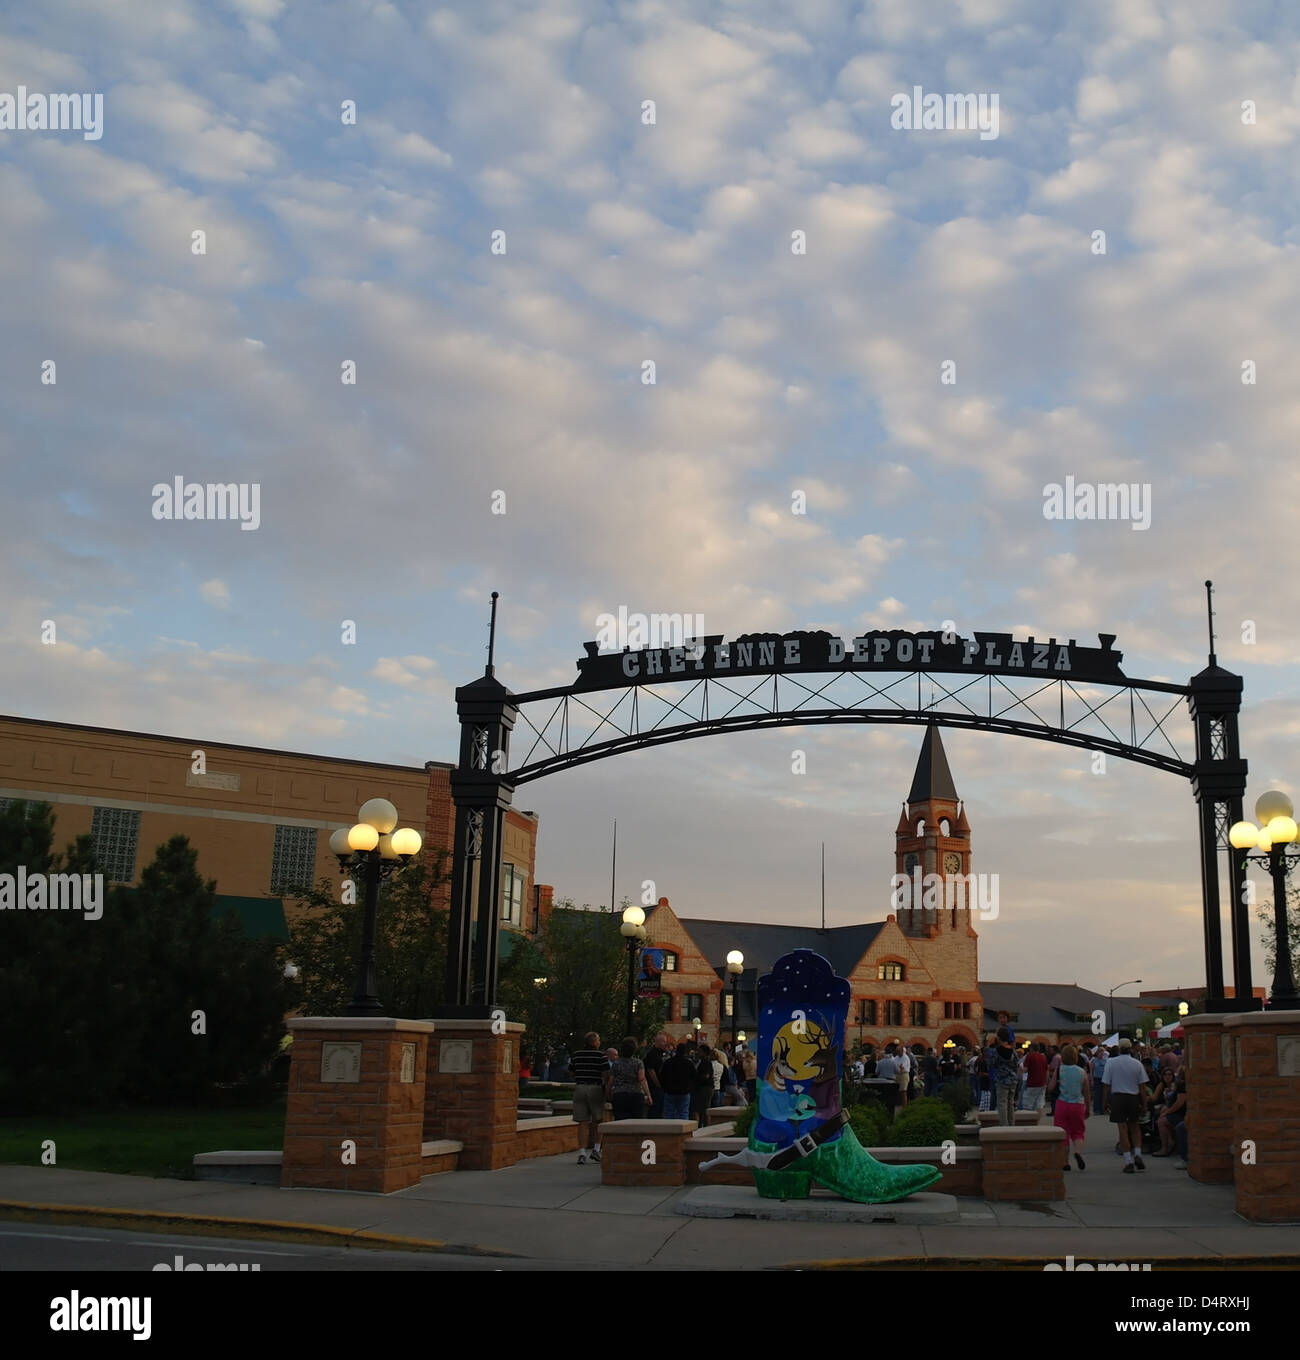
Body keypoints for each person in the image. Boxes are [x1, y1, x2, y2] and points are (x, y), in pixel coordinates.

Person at [1103, 1037, 1149, 1173]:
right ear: (1130, 1048)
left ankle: (1128, 1160)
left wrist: (1104, 1102)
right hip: (1133, 1097)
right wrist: (1144, 1104)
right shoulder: (1137, 1064)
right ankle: (1138, 1154)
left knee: (1122, 1129)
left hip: (1118, 1097)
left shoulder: (1111, 1063)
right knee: (1135, 1127)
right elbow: (1142, 1087)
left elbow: (1106, 1085)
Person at [570, 1031, 609, 1165]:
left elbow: (570, 1071)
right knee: (598, 1120)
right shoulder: (601, 1055)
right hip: (595, 1088)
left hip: (580, 1087)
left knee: (582, 1122)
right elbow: (605, 1074)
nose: (599, 1042)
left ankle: (581, 1153)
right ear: (594, 1042)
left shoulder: (576, 1055)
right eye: (598, 1040)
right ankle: (596, 1150)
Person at [1053, 1043, 1091, 1170]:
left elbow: (1050, 1087)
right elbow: (1086, 1092)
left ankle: (1065, 1162)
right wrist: (1088, 1107)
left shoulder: (1060, 1070)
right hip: (1077, 1105)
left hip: (1062, 1104)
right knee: (1078, 1132)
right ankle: (1078, 1152)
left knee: (1063, 1134)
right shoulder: (1082, 1072)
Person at [606, 1036, 652, 1120]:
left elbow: (611, 1081)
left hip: (619, 1094)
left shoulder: (616, 1063)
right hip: (636, 1095)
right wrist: (648, 1095)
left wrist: (608, 1093)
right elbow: (642, 1079)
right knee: (636, 1122)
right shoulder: (638, 1063)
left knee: (620, 1121)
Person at [990, 1027, 1021, 1126]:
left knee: (1002, 1103)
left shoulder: (996, 1051)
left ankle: (1004, 1125)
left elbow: (992, 1064)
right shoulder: (1013, 1051)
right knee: (1010, 1104)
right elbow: (1017, 1064)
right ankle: (1012, 1124)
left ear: (999, 1038)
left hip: (1002, 1080)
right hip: (1012, 1081)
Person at [660, 1042, 696, 1120]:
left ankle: (669, 1130)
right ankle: (682, 1130)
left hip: (670, 1091)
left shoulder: (668, 1062)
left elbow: (662, 1076)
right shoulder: (689, 1063)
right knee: (683, 1113)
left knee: (669, 1113)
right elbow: (694, 1077)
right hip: (684, 1091)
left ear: (676, 1050)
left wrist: (665, 1088)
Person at [642, 1032, 671, 1119]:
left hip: (660, 1087)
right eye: (664, 1041)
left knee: (659, 1109)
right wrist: (657, 1084)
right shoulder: (652, 1054)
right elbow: (651, 1070)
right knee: (655, 1109)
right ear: (658, 1042)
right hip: (655, 1087)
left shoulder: (661, 1054)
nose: (665, 1044)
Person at [691, 1043, 715, 1127]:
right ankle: (703, 1125)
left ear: (704, 1052)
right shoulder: (703, 1062)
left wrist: (695, 1077)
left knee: (701, 1109)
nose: (698, 1053)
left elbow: (706, 1075)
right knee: (704, 1109)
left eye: (700, 1051)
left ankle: (701, 1126)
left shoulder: (705, 1062)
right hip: (705, 1087)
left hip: (704, 1088)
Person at [1020, 1042, 1048, 1113]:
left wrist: (1020, 1067)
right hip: (1042, 1083)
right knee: (1039, 1102)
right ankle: (1037, 1119)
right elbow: (1046, 1070)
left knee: (1028, 1103)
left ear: (1031, 1048)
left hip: (1032, 1082)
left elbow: (1025, 1070)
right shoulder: (1043, 1057)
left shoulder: (1029, 1056)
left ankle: (1029, 1121)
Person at [1090, 1046, 1108, 1115]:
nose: (1101, 1054)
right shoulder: (1093, 1060)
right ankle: (1096, 1109)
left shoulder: (1105, 1061)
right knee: (1097, 1094)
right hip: (1096, 1079)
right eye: (1100, 1052)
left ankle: (1102, 1109)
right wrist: (1092, 1080)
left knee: (1103, 1095)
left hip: (1103, 1079)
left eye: (1102, 1053)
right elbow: (1091, 1071)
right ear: (1097, 1053)